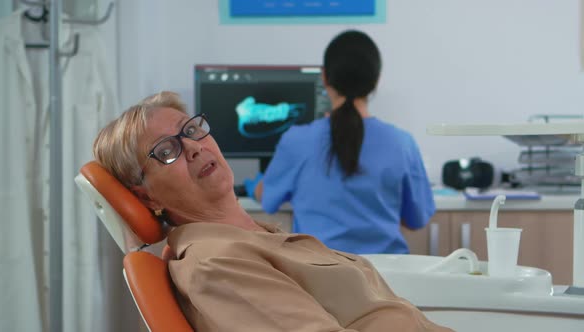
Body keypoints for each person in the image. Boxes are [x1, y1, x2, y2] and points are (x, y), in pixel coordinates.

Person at [93, 91, 452, 331]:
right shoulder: (217, 265)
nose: (193, 147)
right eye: (166, 150)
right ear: (147, 197)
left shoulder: (260, 236)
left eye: (190, 130)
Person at [245, 30, 435, 254]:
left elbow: (267, 199)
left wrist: (253, 183)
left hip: (320, 278)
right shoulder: (403, 143)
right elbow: (417, 218)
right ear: (376, 81)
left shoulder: (298, 140)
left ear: (325, 78)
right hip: (385, 281)